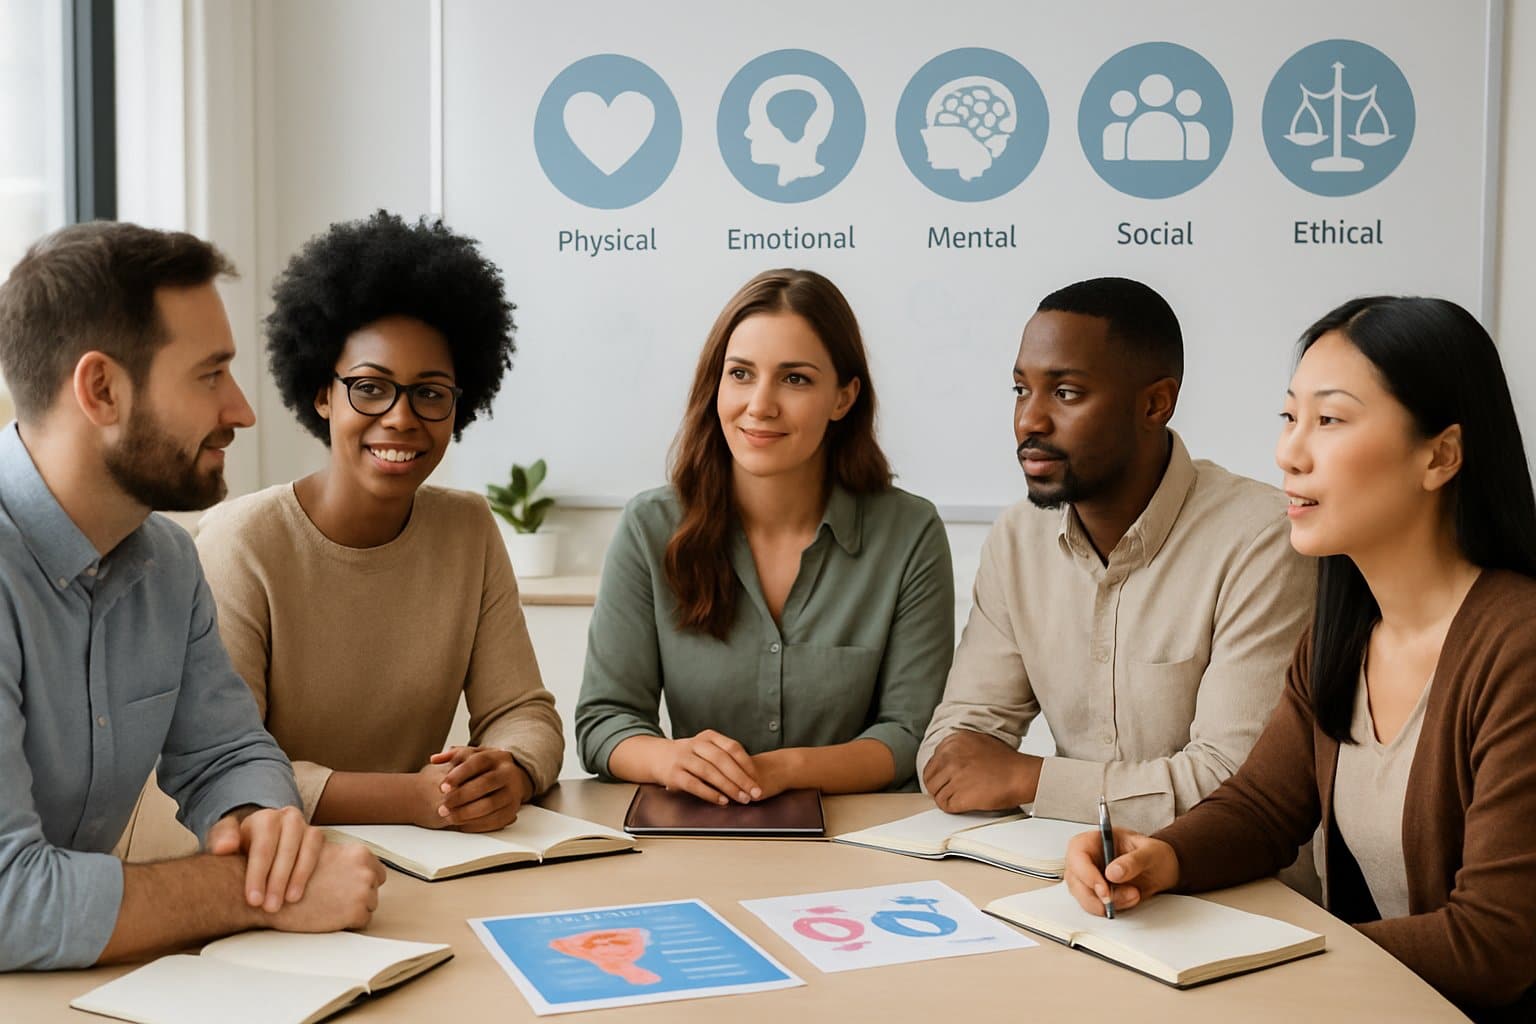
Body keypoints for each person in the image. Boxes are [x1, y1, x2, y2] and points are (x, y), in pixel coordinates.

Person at [1063, 297, 1536, 1021]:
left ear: (1440, 455)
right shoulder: (1343, 633)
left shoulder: (1518, 647)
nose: (1290, 452)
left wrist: (1276, 955)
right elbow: (1262, 809)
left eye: (1331, 419)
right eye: (1290, 417)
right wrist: (1160, 859)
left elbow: (1496, 943)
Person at [0, 222, 383, 971]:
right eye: (211, 375)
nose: (241, 410)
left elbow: (226, 752)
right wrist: (250, 892)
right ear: (102, 389)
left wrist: (262, 828)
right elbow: (9, 903)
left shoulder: (168, 559)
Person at [195, 211, 563, 832]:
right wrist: (412, 800)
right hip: (275, 860)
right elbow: (225, 766)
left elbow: (523, 710)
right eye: (370, 388)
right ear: (322, 393)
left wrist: (509, 768)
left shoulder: (468, 528)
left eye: (430, 392)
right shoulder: (242, 543)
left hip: (431, 859)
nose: (400, 417)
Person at [917, 277, 1315, 833]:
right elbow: (960, 733)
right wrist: (963, 760)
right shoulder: (1017, 538)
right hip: (1063, 878)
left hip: (1238, 895)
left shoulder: (1263, 540)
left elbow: (1234, 783)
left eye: (1066, 393)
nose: (1030, 420)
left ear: (1156, 404)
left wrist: (1029, 779)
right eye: (1020, 390)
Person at [575, 268, 954, 803]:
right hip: (691, 835)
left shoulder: (910, 533)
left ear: (843, 398)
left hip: (858, 846)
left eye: (795, 378)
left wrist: (784, 769)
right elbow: (604, 721)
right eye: (741, 374)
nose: (760, 405)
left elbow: (910, 734)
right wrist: (671, 759)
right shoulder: (649, 527)